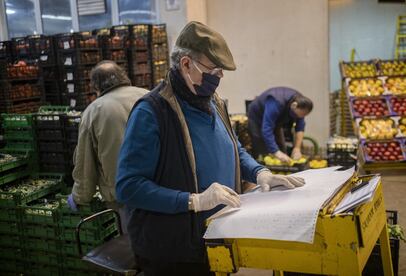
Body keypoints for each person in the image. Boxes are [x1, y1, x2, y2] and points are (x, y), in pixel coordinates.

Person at [116, 21, 305, 276]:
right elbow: (128, 186)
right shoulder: (152, 112)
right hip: (173, 251)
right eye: (214, 69)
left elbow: (234, 148)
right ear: (186, 64)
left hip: (213, 237)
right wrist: (193, 200)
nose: (220, 77)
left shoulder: (214, 102)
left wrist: (260, 172)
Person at [67, 60, 147, 230]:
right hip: (162, 189)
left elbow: (85, 162)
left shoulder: (94, 111)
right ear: (123, 76)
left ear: (96, 86)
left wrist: (79, 196)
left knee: (132, 246)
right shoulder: (149, 96)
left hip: (125, 197)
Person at [247, 87, 313, 162]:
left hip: (277, 119)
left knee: (281, 147)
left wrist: (297, 148)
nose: (299, 117)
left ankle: (281, 166)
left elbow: (300, 128)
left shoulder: (302, 104)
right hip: (257, 117)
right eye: (297, 115)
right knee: (262, 147)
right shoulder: (276, 102)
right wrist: (276, 152)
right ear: (294, 105)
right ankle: (263, 167)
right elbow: (267, 128)